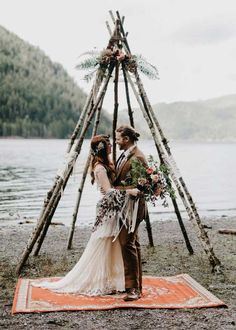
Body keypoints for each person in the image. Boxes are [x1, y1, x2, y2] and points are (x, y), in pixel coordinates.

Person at [32, 135, 139, 296]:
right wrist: (129, 191)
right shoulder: (100, 168)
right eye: (109, 144)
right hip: (107, 210)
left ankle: (112, 279)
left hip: (114, 209)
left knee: (111, 244)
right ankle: (97, 279)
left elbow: (113, 187)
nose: (112, 146)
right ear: (102, 148)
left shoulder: (107, 163)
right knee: (102, 244)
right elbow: (109, 192)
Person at [114, 125, 148, 301]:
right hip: (124, 207)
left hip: (133, 209)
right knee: (132, 243)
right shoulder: (126, 154)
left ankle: (133, 289)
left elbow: (142, 188)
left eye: (118, 138)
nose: (116, 141)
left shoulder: (139, 157)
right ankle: (137, 285)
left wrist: (114, 189)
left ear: (126, 139)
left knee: (127, 243)